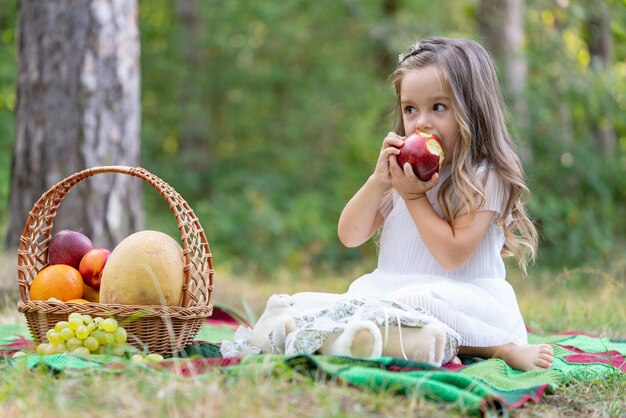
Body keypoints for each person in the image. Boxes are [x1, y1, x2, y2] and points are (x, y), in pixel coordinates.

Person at [334, 36, 553, 371]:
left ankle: (502, 349)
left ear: (472, 110)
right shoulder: (404, 174)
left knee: (414, 304)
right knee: (348, 306)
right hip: (393, 291)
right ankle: (416, 344)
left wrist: (414, 198)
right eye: (410, 109)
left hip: (464, 302)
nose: (421, 122)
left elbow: (452, 256)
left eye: (438, 107)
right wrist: (378, 181)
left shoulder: (485, 176)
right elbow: (350, 235)